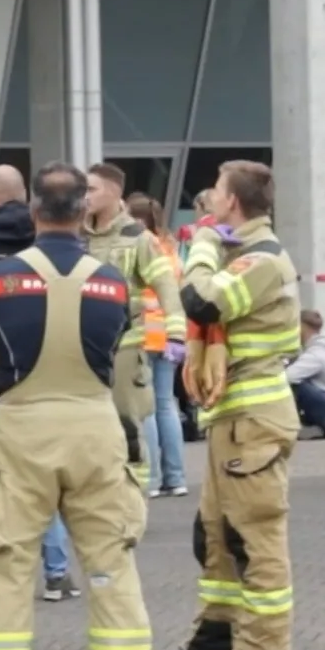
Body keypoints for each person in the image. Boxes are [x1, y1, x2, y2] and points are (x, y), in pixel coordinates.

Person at [0, 162, 150, 650]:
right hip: (94, 426)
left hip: (22, 430)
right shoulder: (112, 279)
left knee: (6, 564)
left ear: (35, 211)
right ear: (83, 212)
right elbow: (116, 345)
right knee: (111, 562)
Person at [155, 160, 299, 650]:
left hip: (254, 420)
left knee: (253, 539)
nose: (209, 198)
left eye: (216, 190)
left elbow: (201, 301)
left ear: (233, 203)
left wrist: (204, 248)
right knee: (215, 536)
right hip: (232, 419)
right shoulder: (244, 253)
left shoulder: (260, 259)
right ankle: (218, 637)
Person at [0, 164, 79, 602]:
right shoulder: (47, 240)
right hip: (47, 377)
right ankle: (57, 572)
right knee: (48, 475)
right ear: (26, 197)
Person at [81, 163, 184, 493]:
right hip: (84, 345)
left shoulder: (138, 238)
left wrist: (177, 333)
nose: (85, 197)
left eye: (92, 189)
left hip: (126, 345)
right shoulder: (78, 235)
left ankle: (137, 491)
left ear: (113, 193)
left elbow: (166, 284)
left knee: (128, 422)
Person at [126, 194, 188, 496]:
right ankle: (175, 478)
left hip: (142, 333)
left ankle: (149, 479)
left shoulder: (137, 245)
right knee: (167, 404)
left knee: (146, 408)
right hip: (169, 333)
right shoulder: (171, 248)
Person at [285, 310, 325, 439]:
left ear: (302, 327)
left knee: (293, 384)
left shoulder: (316, 355)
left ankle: (293, 426)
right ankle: (313, 428)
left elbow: (287, 377)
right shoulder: (318, 351)